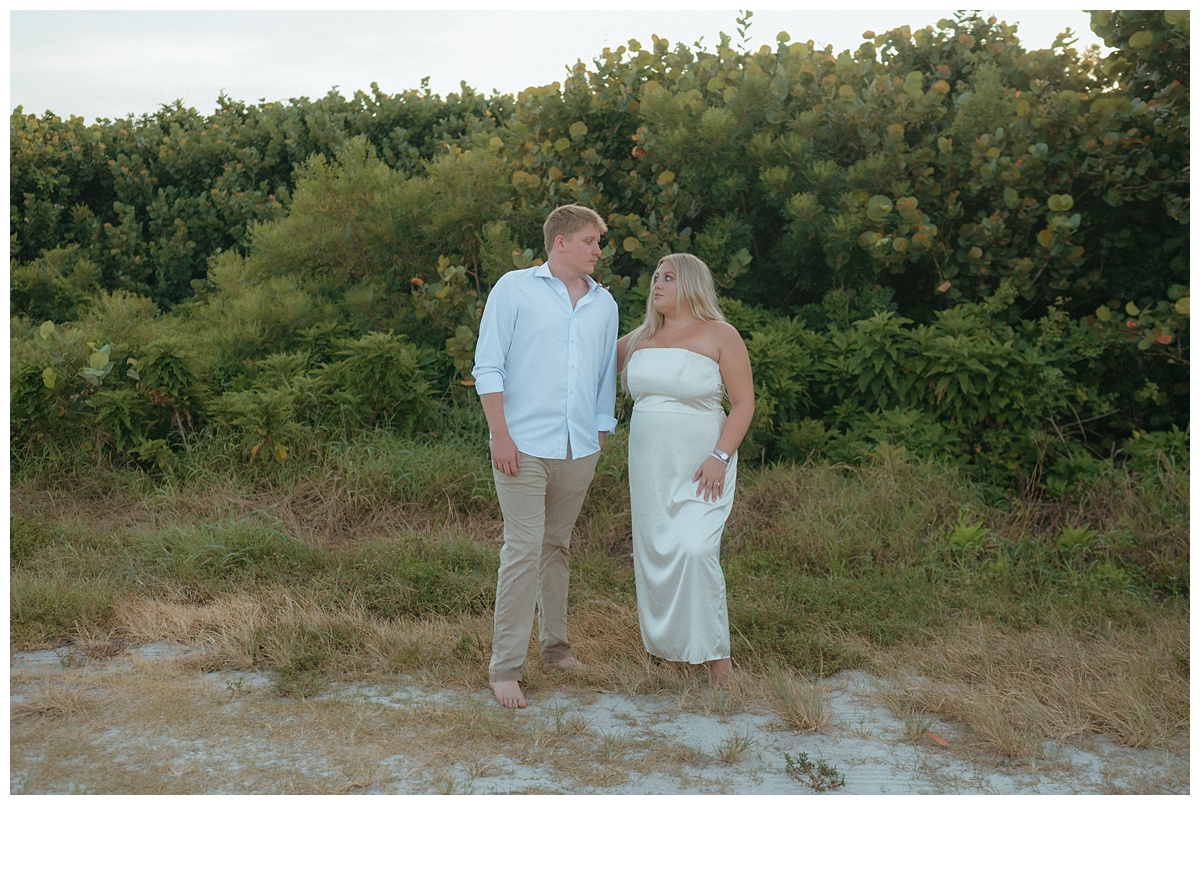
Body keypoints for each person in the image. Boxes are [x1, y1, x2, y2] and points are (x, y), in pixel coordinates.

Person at [472, 204, 619, 709]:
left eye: (599, 242)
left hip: (579, 446)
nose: (598, 250)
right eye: (590, 241)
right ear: (560, 243)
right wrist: (499, 434)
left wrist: (602, 427)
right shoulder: (513, 288)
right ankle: (505, 668)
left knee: (557, 546)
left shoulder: (605, 303)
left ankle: (555, 650)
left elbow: (603, 374)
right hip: (522, 444)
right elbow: (488, 366)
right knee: (523, 547)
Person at [616, 253, 754, 689]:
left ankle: (718, 660)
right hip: (650, 465)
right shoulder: (640, 338)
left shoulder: (720, 335)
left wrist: (720, 457)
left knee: (695, 551)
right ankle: (668, 655)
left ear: (691, 285)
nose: (657, 284)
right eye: (655, 277)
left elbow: (744, 404)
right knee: (658, 555)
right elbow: (579, 358)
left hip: (703, 465)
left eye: (668, 278)